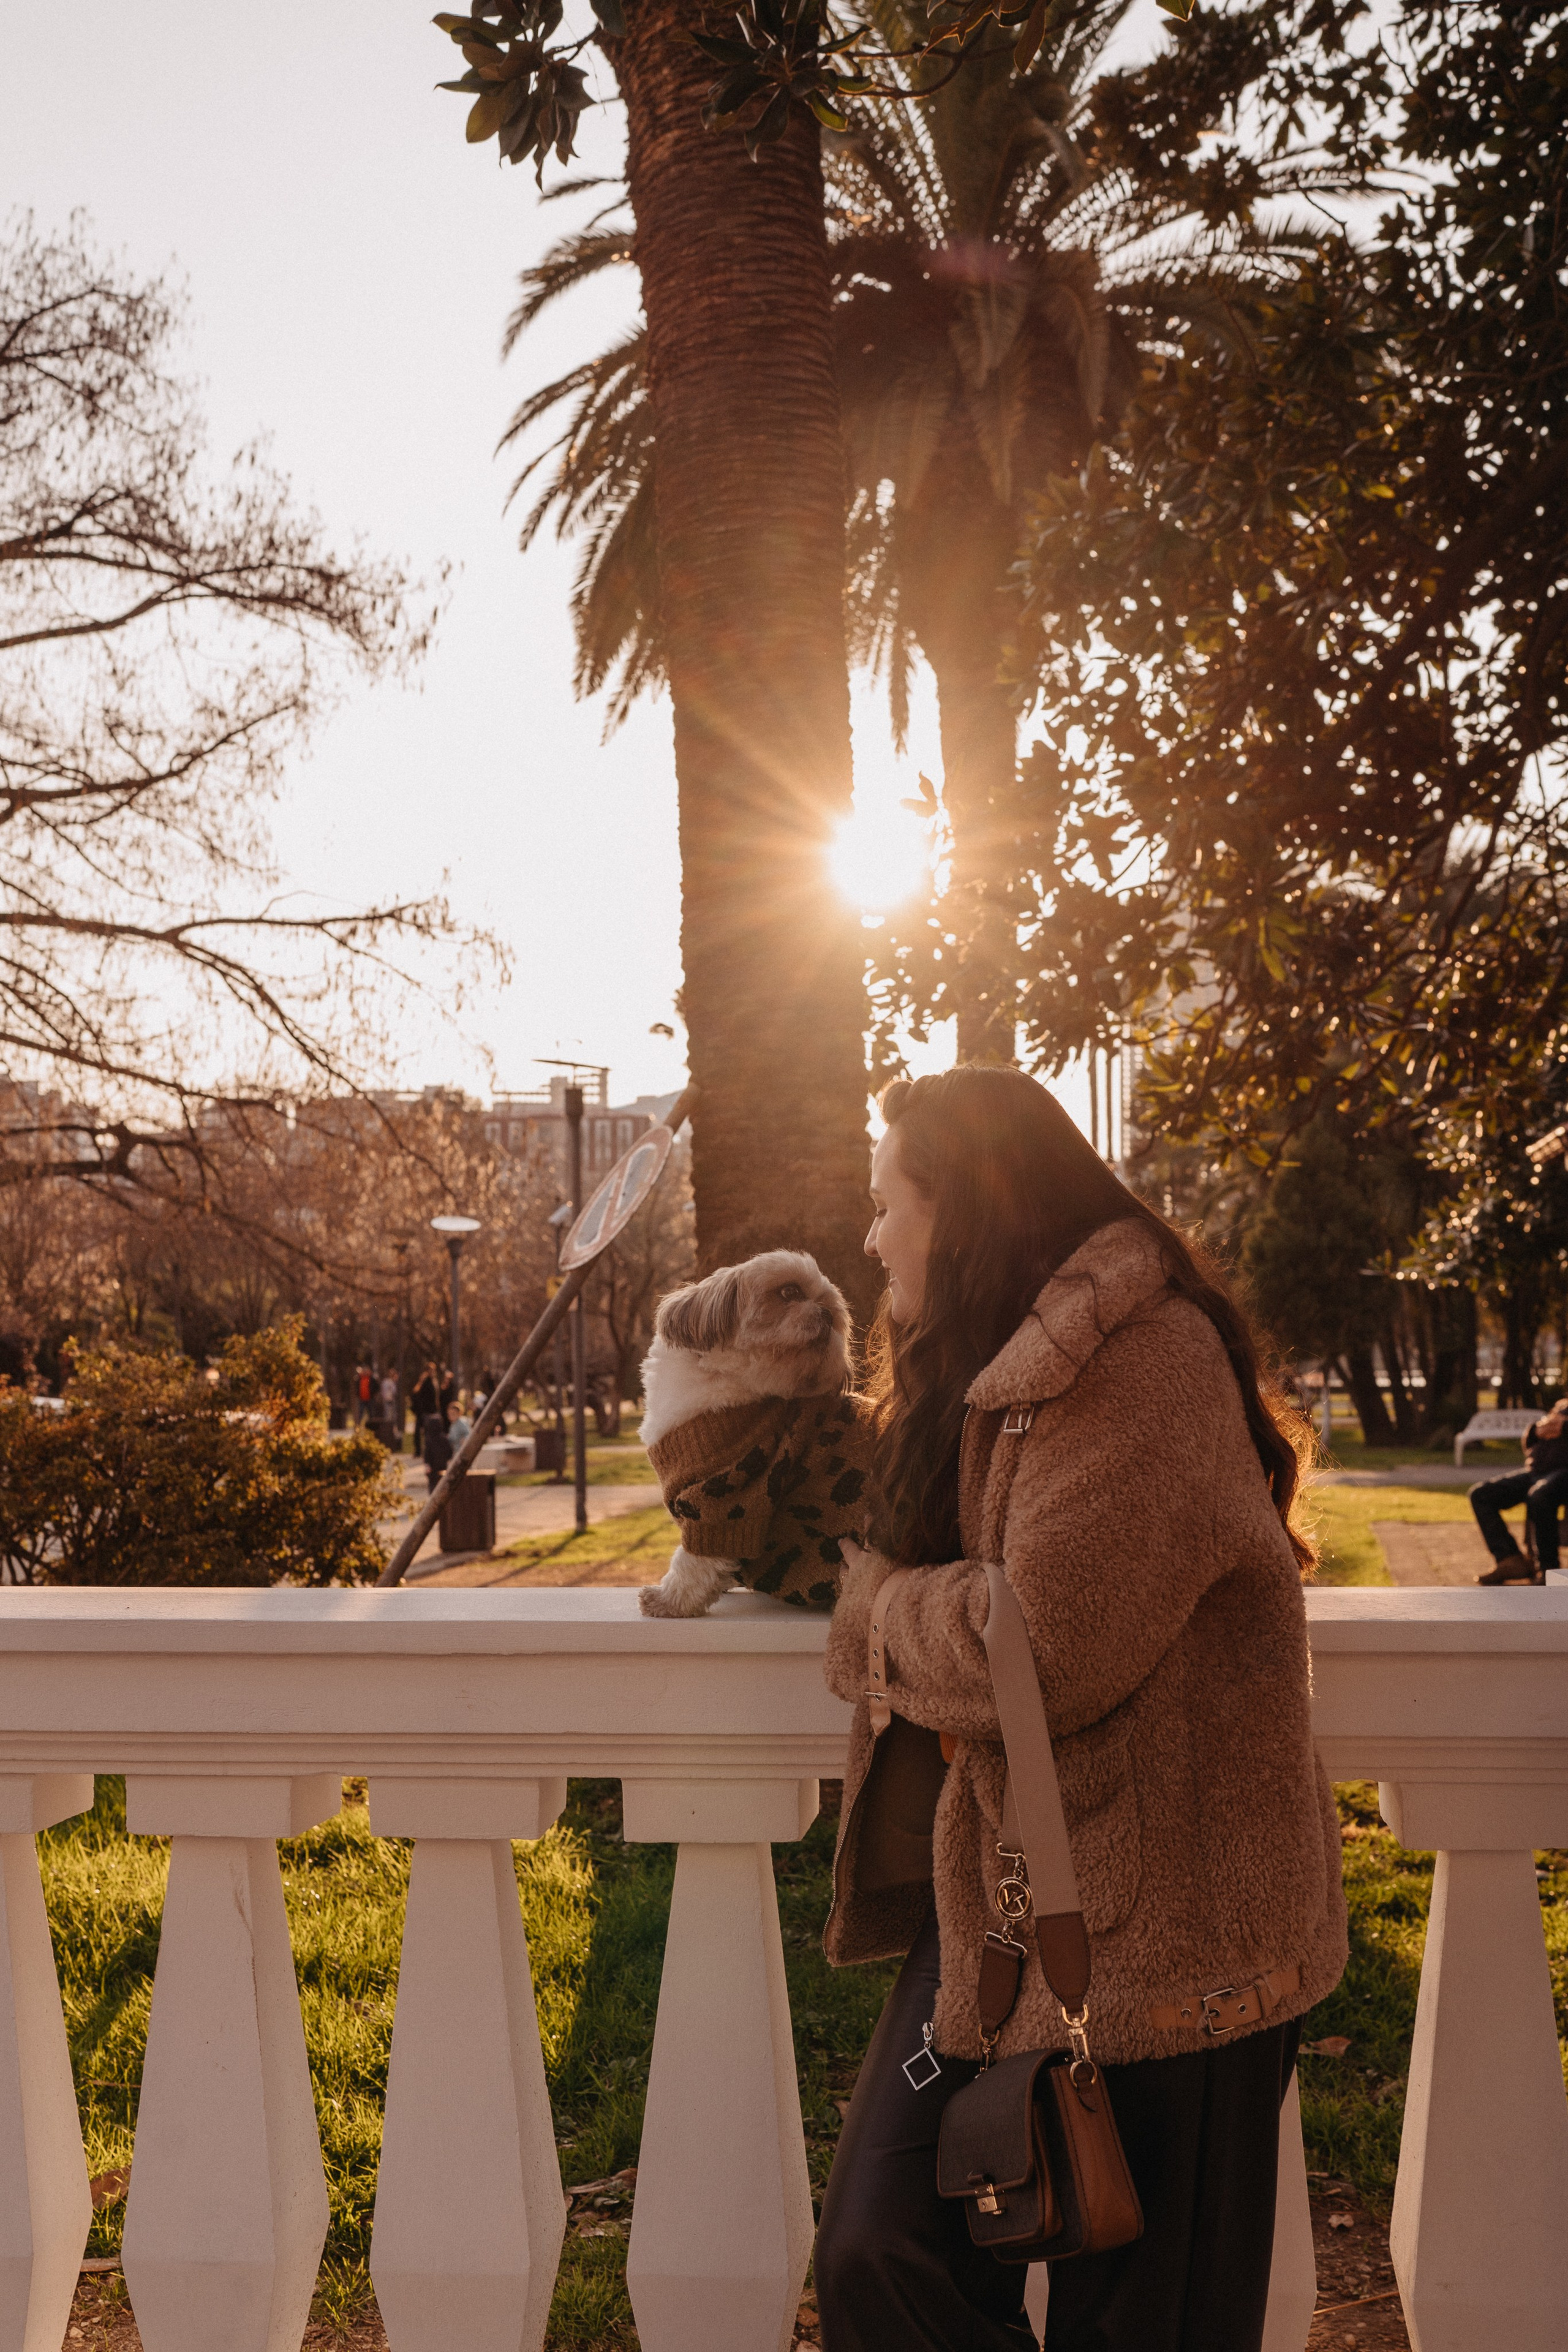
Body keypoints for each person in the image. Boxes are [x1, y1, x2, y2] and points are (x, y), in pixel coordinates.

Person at [813, 1067, 1347, 2352]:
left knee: (1148, 2331)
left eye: (889, 1205)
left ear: (971, 1211)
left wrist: (875, 1612)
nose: (872, 1237)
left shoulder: (1142, 1363)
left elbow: (1043, 1651)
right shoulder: (996, 1369)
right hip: (1004, 1918)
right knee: (878, 2252)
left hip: (1180, 1941)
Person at [1471, 1394, 1568, 1583]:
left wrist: (1563, 1428)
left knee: (1540, 1495)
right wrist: (1536, 1431)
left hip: (1564, 1472)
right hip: (1536, 1470)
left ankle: (1549, 1569)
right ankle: (1510, 1559)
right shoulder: (1562, 1405)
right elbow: (1529, 1444)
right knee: (1481, 1494)